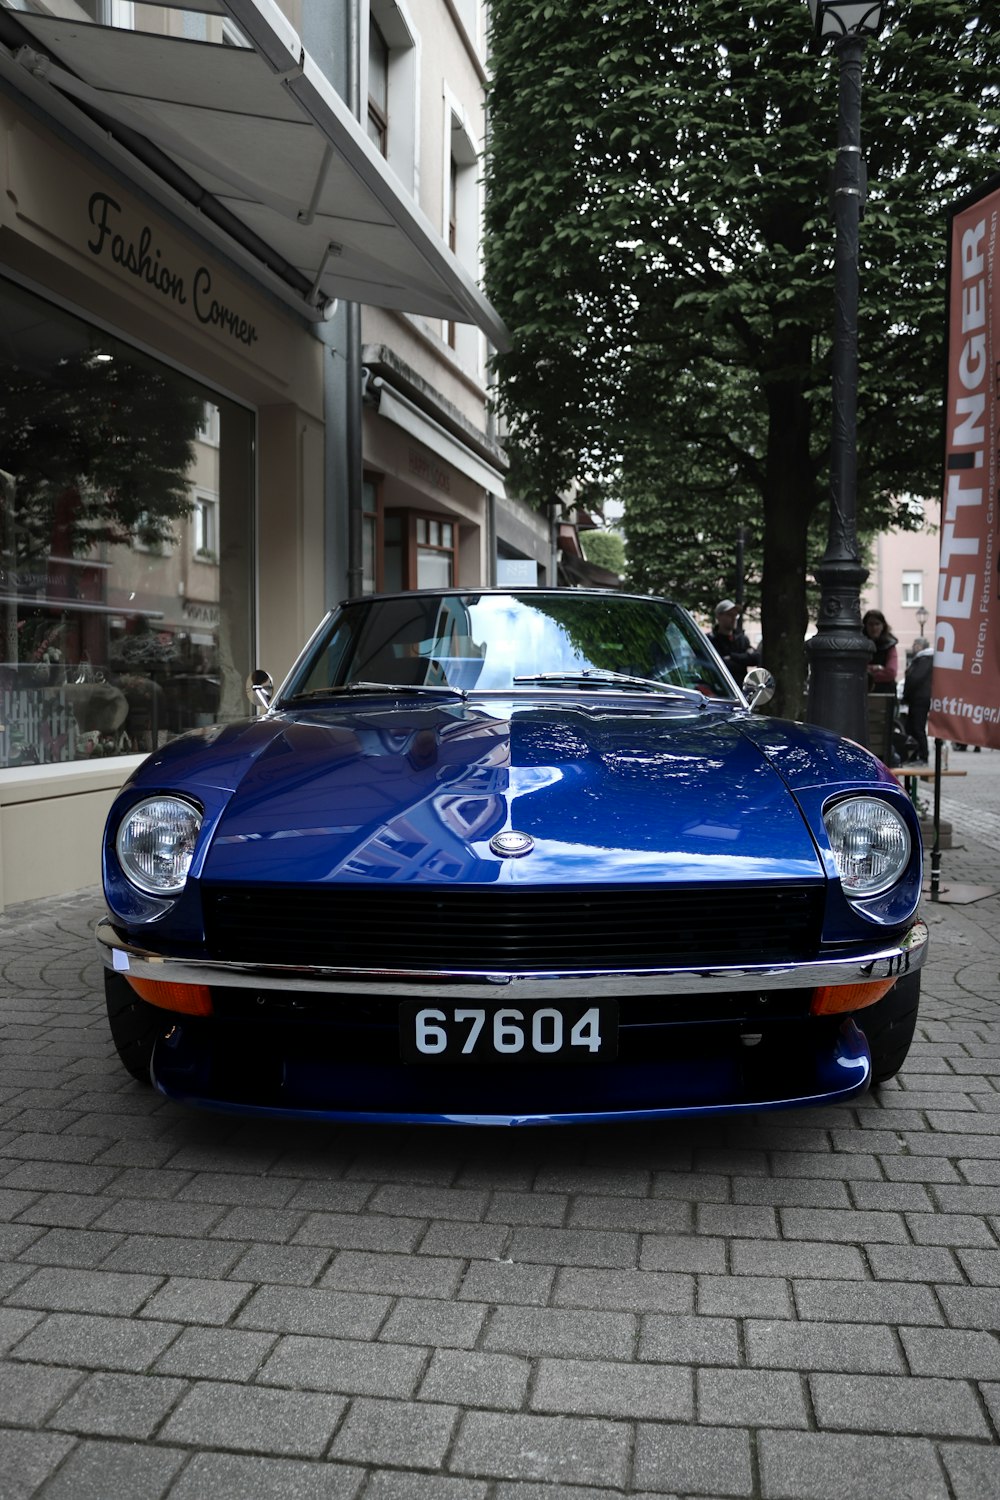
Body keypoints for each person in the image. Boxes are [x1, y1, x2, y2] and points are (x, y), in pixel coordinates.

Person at [708, 599, 760, 688]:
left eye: (735, 615)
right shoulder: (711, 640)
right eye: (729, 615)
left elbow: (755, 658)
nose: (733, 618)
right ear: (719, 616)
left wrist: (732, 656)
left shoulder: (742, 639)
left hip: (741, 689)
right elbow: (719, 665)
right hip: (720, 690)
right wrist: (743, 659)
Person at [902, 638, 933, 763]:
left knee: (917, 727)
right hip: (917, 697)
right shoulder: (921, 659)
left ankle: (923, 755)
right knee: (911, 727)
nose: (914, 646)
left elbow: (915, 678)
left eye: (916, 644)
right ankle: (914, 755)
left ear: (922, 646)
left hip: (920, 698)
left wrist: (906, 693)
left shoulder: (925, 659)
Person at [863, 610, 898, 693]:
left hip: (885, 692)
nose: (874, 628)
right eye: (871, 624)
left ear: (883, 626)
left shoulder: (890, 645)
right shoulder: (860, 644)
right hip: (863, 691)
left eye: (877, 624)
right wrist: (876, 668)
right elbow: (856, 669)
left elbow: (891, 673)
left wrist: (867, 674)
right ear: (865, 626)